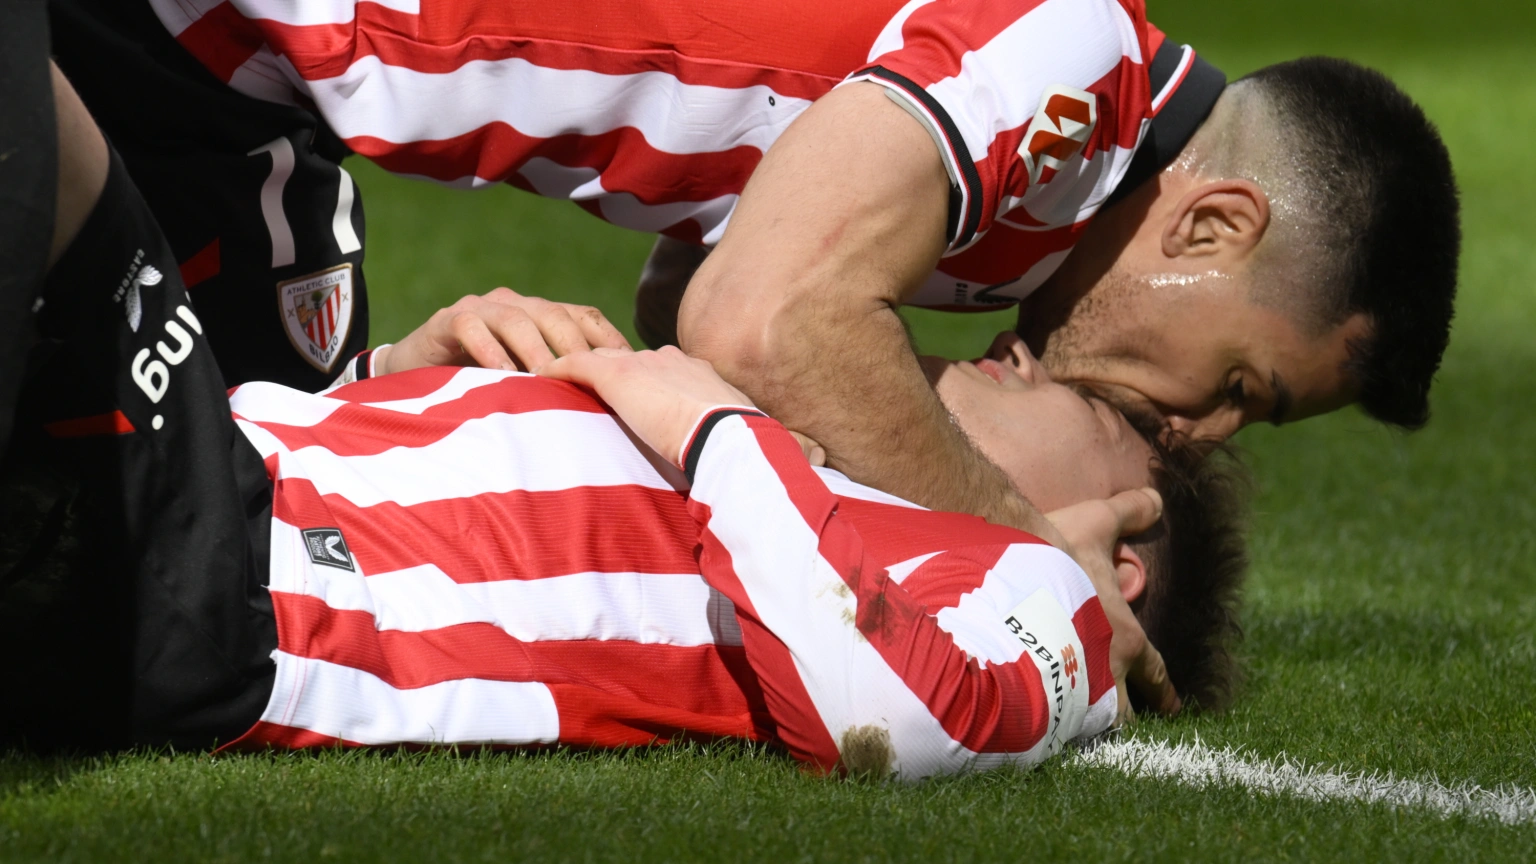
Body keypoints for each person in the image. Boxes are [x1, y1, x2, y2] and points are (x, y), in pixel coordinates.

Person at [0, 55, 1245, 767]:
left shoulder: (1041, 590)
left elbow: (896, 715)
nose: (1017, 355)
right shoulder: (816, 498)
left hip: (236, 594)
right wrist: (395, 376)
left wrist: (708, 420)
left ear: (1126, 550)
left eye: (1074, 398)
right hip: (220, 514)